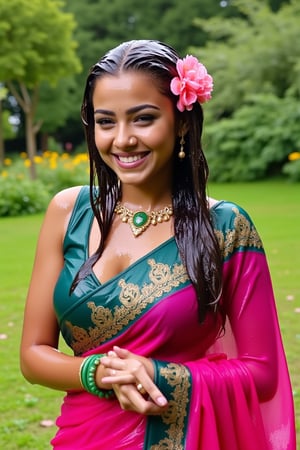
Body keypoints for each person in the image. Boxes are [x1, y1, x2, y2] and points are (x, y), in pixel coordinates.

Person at [20, 39, 296, 450]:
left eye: (143, 119)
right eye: (106, 122)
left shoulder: (225, 227)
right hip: (82, 437)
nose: (123, 139)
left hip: (185, 439)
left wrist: (160, 375)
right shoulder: (68, 211)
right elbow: (33, 354)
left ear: (181, 121)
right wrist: (97, 373)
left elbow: (263, 372)